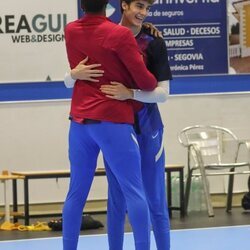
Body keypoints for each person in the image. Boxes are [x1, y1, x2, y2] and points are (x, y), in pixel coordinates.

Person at [64, 1, 172, 249]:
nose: (143, 13)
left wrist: (130, 93)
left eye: (148, 9)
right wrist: (71, 74)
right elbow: (146, 81)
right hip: (116, 124)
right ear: (123, 5)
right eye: (139, 6)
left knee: (154, 199)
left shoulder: (154, 41)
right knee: (117, 201)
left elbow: (163, 93)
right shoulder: (115, 33)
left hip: (146, 127)